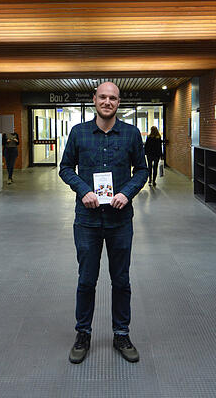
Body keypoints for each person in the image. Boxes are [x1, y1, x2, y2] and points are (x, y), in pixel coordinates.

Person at [59, 82, 148, 364]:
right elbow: (64, 168)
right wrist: (83, 189)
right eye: (103, 97)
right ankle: (82, 334)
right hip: (87, 221)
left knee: (121, 280)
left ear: (118, 102)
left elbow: (143, 169)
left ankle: (121, 333)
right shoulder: (79, 133)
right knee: (87, 280)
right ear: (94, 99)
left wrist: (127, 192)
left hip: (121, 221)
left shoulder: (131, 134)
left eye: (113, 98)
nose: (107, 102)